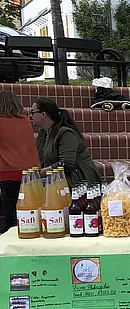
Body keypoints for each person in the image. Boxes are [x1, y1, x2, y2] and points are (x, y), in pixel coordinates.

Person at [28, 98, 101, 188]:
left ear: (43, 114)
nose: (30, 116)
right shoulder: (43, 134)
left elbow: (66, 163)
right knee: (27, 184)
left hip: (77, 179)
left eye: (32, 112)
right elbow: (39, 159)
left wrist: (40, 173)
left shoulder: (66, 133)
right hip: (57, 177)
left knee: (32, 186)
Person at [0, 90, 41, 233]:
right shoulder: (25, 121)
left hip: (8, 172)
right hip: (31, 172)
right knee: (30, 211)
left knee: (11, 215)